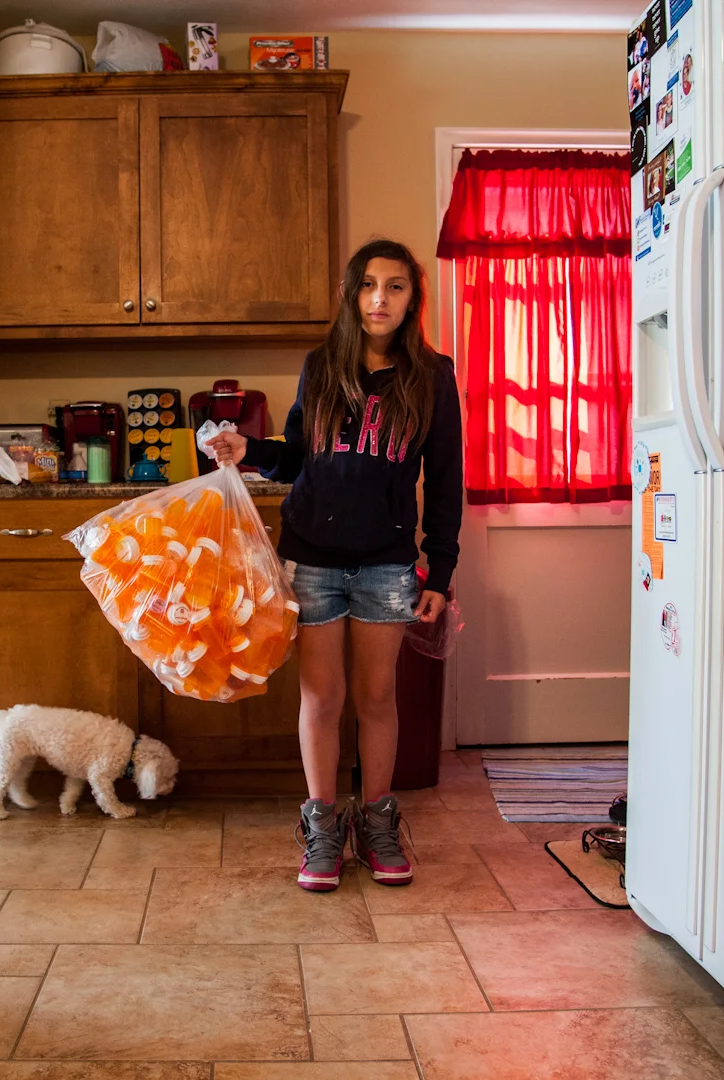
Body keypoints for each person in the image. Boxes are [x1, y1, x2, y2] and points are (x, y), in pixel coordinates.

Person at [206, 239, 463, 892]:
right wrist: (250, 450)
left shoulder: (433, 376)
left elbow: (447, 479)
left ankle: (376, 822)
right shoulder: (321, 366)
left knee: (377, 697)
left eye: (395, 286)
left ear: (412, 298)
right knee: (322, 698)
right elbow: (297, 455)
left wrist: (442, 567)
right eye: (369, 285)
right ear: (352, 295)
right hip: (312, 557)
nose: (380, 298)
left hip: (386, 562)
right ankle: (322, 825)